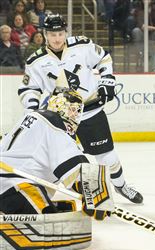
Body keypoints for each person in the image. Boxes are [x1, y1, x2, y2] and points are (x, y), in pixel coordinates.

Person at [17, 14, 143, 204]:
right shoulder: (36, 61)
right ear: (44, 34)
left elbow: (104, 58)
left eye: (60, 33)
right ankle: (47, 197)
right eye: (52, 34)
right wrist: (33, 108)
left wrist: (107, 80)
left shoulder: (82, 45)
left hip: (90, 110)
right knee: (57, 162)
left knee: (107, 156)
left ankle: (121, 185)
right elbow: (29, 89)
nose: (57, 38)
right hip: (60, 118)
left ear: (66, 32)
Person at [0, 87, 109, 220]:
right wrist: (96, 193)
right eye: (73, 110)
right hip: (16, 187)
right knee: (55, 226)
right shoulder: (54, 125)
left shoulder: (30, 119)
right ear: (60, 107)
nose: (75, 115)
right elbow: (76, 165)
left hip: (6, 185)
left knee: (64, 208)